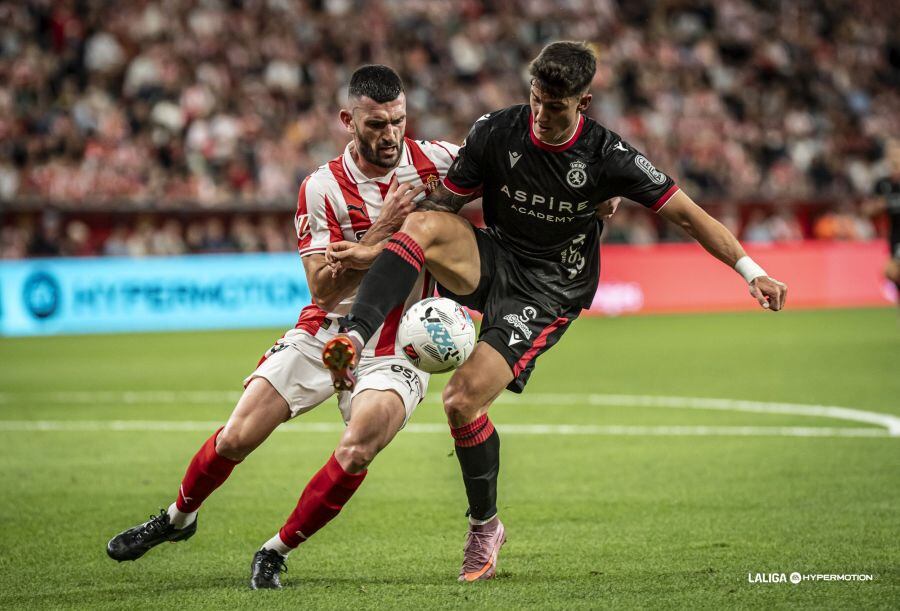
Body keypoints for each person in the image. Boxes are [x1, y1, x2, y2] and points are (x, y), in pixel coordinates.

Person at [321, 42, 788, 582]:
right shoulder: (497, 130)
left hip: (548, 290)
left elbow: (688, 215)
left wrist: (752, 271)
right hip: (494, 256)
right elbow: (442, 204)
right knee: (423, 225)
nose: (541, 115)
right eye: (536, 100)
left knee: (461, 401)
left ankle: (484, 527)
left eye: (556, 106)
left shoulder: (608, 156)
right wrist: (375, 249)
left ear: (582, 102)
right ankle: (354, 337)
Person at [105, 65, 456, 589]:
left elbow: (505, 167)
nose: (391, 135)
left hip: (397, 344)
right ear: (348, 120)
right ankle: (178, 518)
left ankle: (275, 550)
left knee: (359, 446)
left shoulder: (438, 162)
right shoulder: (321, 188)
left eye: (398, 121)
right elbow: (322, 290)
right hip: (325, 331)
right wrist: (380, 233)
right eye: (377, 124)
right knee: (236, 437)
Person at [863, 138, 900, 297]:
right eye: (891, 155)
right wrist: (879, 205)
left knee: (891, 270)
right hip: (895, 234)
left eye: (897, 154)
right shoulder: (882, 184)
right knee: (892, 273)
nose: (894, 159)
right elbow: (867, 210)